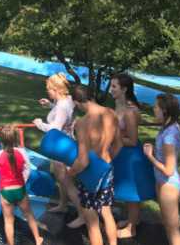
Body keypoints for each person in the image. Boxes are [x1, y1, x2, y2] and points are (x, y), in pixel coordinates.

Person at [67, 85, 118, 245]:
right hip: (107, 168)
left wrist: (71, 173)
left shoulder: (82, 123)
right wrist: (106, 163)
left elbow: (83, 161)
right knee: (107, 212)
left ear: (77, 102)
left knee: (92, 222)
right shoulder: (110, 113)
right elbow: (118, 145)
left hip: (90, 174)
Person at [0, 125, 44, 245]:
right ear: (15, 138)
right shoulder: (22, 152)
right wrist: (23, 180)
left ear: (1, 141)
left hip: (5, 192)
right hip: (20, 189)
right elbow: (27, 168)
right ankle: (38, 238)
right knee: (29, 215)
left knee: (8, 221)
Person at [33, 73, 79, 217]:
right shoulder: (67, 100)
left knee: (65, 181)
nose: (47, 91)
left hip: (60, 147)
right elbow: (63, 114)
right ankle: (63, 204)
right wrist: (50, 105)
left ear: (56, 90)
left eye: (49, 89)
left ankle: (83, 213)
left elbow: (54, 129)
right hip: (67, 143)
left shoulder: (61, 107)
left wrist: (39, 124)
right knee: (63, 180)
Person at [143, 94, 180, 245]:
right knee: (167, 225)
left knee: (172, 229)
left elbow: (168, 170)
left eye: (156, 107)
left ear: (164, 110)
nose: (153, 109)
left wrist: (150, 156)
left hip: (168, 183)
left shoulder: (170, 135)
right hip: (162, 181)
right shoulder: (168, 127)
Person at [109, 73, 141, 238]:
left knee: (131, 192)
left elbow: (133, 140)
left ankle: (131, 228)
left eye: (114, 86)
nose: (110, 89)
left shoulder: (130, 111)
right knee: (126, 190)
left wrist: (111, 138)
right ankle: (131, 220)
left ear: (124, 89)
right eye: (111, 85)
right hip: (121, 152)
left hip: (130, 154)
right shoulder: (117, 104)